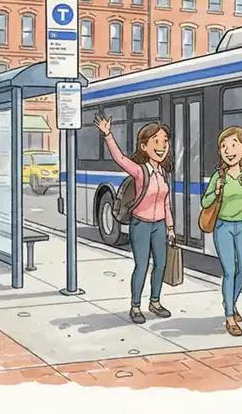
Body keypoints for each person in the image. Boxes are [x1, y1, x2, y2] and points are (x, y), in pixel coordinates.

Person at [94, 113, 174, 325]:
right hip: (141, 225)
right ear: (144, 146)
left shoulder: (163, 173)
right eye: (156, 141)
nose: (162, 146)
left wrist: (170, 227)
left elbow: (166, 203)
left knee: (161, 264)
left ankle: (155, 302)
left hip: (159, 226)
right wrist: (108, 135)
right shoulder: (140, 171)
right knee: (142, 265)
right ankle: (135, 305)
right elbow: (120, 159)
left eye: (165, 141)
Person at [201, 127, 242, 337]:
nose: (228, 150)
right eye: (224, 146)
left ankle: (230, 301)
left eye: (233, 145)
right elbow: (205, 202)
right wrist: (216, 190)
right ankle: (229, 317)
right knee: (229, 271)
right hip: (223, 227)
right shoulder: (219, 176)